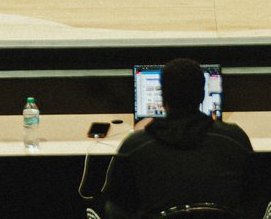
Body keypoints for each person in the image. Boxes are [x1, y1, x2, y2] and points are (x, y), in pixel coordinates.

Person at [104, 59, 254, 219]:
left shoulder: (134, 147)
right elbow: (253, 197)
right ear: (202, 95)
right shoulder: (235, 140)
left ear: (163, 99)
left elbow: (118, 206)